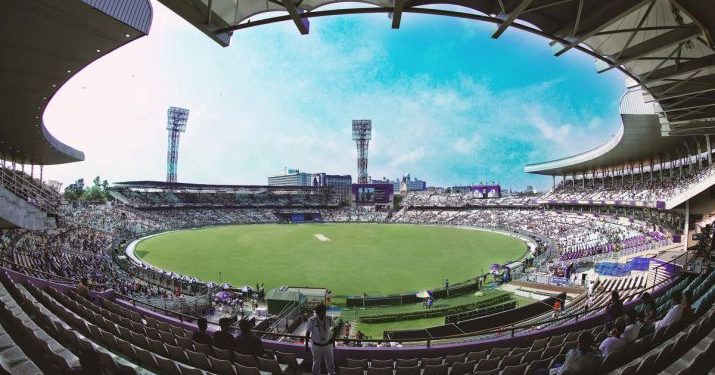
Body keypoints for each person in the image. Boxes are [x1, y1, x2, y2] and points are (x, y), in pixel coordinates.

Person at [305, 303, 335, 375]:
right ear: (317, 312)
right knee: (316, 362)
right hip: (316, 346)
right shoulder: (312, 320)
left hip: (328, 345)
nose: (323, 313)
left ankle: (331, 373)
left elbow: (333, 330)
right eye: (320, 311)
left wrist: (333, 342)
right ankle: (315, 373)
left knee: (330, 361)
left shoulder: (329, 318)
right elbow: (308, 333)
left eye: (324, 311)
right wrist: (306, 345)